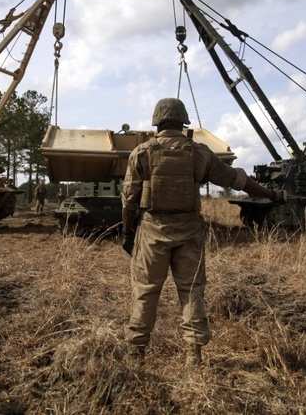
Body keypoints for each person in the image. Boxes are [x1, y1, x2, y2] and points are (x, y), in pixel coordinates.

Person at [121, 98, 283, 366]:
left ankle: (135, 354)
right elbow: (237, 179)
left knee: (146, 291)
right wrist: (271, 194)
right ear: (184, 122)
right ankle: (193, 356)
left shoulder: (141, 152)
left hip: (152, 231)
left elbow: (128, 200)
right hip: (189, 232)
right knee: (192, 291)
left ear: (156, 121)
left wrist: (128, 234)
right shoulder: (198, 153)